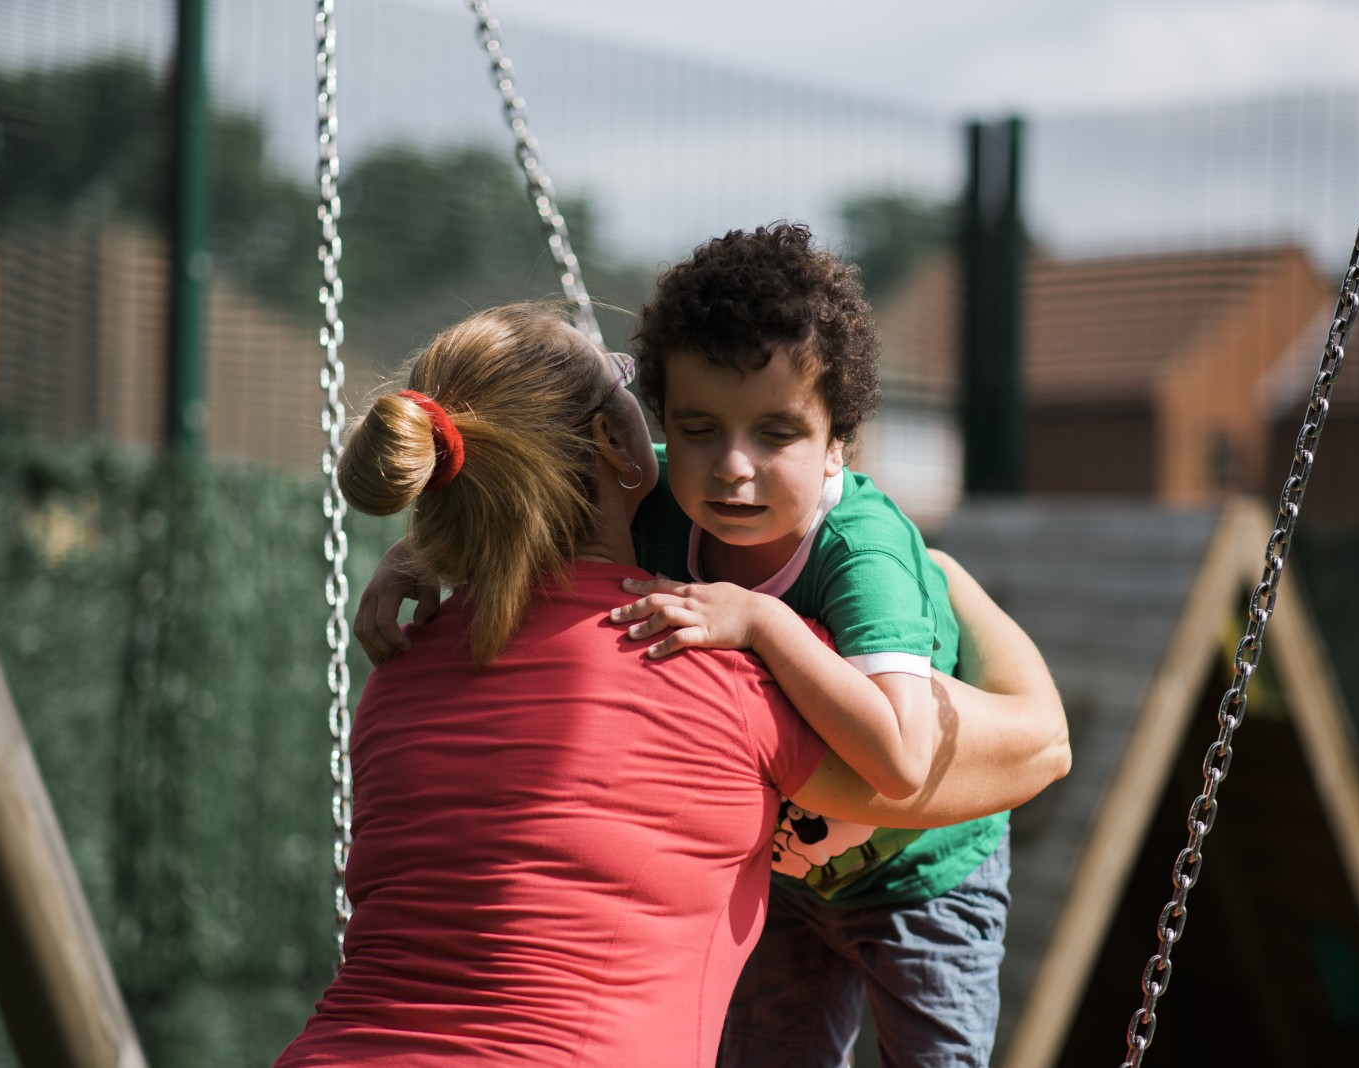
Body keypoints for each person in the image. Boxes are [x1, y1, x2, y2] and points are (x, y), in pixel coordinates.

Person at [277, 302, 1067, 1067]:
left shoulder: (398, 672)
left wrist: (434, 549)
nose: (727, 465)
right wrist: (950, 578)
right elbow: (1037, 747)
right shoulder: (700, 653)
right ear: (618, 442)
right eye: (670, 417)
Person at [612, 222, 1014, 1067]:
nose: (731, 465)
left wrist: (761, 622)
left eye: (776, 432)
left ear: (839, 439)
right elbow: (515, 510)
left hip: (923, 874)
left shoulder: (859, 550)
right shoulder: (648, 502)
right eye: (697, 427)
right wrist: (414, 561)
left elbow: (901, 760)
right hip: (786, 877)